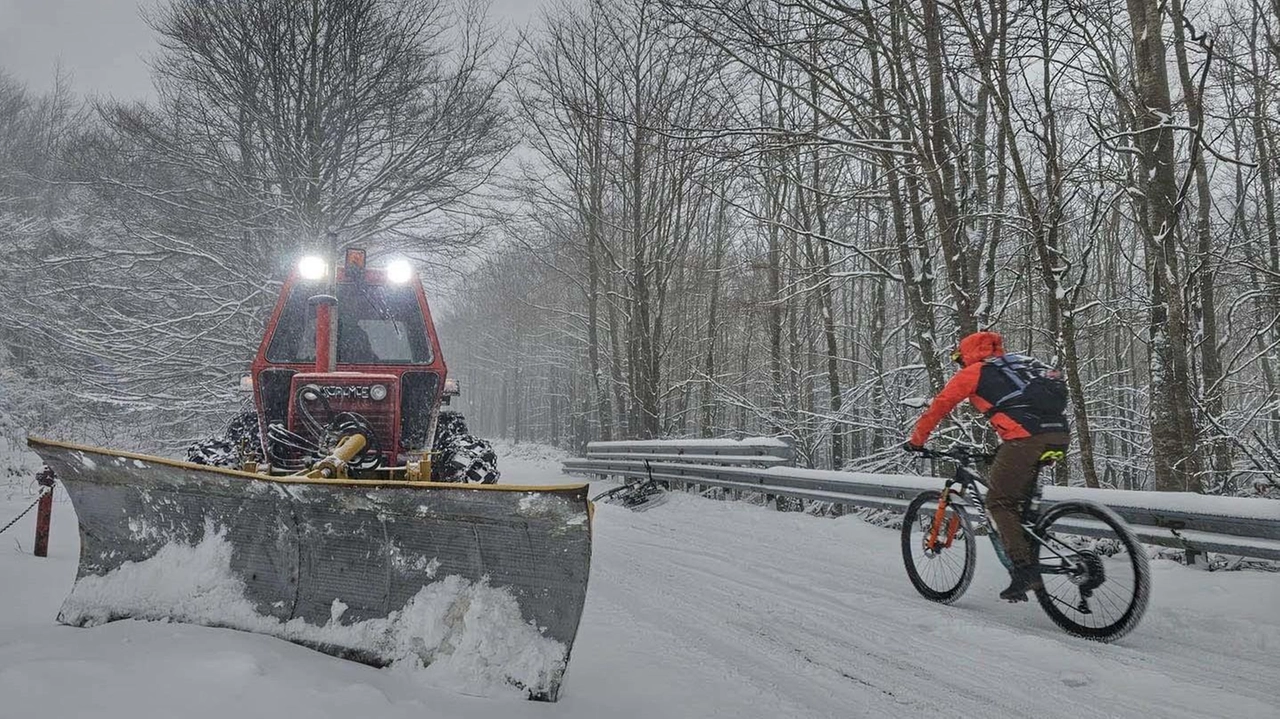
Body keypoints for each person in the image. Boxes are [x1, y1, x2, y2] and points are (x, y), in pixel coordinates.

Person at [905, 331, 1069, 602]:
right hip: (1058, 435)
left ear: (968, 354)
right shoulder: (1023, 363)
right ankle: (1028, 552)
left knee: (999, 503)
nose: (960, 365)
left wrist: (917, 440)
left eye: (960, 360)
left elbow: (941, 405)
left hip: (1024, 438)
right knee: (1018, 505)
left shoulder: (976, 371)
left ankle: (1024, 570)